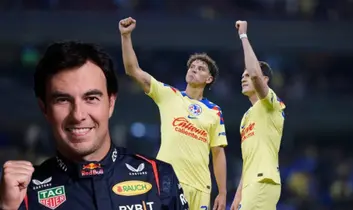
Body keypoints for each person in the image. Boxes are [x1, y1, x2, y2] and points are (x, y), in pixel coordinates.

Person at [0, 41, 189, 210]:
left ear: (111, 103)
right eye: (63, 100)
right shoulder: (22, 192)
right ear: (44, 109)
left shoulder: (158, 177)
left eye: (91, 98)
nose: (78, 115)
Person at [119, 17, 228, 210]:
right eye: (192, 67)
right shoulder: (169, 95)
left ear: (209, 79)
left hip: (201, 186)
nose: (194, 69)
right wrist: (125, 36)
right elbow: (132, 70)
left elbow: (218, 153)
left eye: (201, 69)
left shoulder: (214, 111)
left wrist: (222, 191)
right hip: (168, 181)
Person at [230, 21, 286, 210]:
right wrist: (237, 197)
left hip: (264, 181)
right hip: (250, 185)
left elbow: (255, 74)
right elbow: (248, 162)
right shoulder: (246, 117)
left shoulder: (271, 104)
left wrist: (243, 36)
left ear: (265, 80)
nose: (243, 77)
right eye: (242, 75)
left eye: (248, 75)